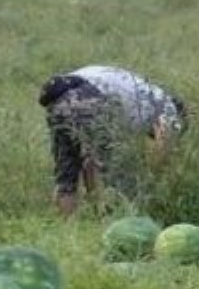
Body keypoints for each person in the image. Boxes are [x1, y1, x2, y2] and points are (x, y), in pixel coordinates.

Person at [38, 65, 186, 215]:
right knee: (116, 172)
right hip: (89, 96)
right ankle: (117, 218)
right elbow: (163, 146)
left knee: (66, 175)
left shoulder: (146, 95)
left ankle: (68, 229)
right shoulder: (168, 109)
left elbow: (88, 160)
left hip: (57, 101)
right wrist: (151, 182)